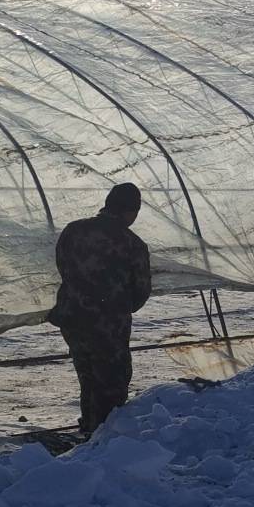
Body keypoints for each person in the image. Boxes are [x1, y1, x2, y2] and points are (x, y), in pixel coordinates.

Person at [49, 182, 152, 435]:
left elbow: (62, 266)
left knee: (88, 378)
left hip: (73, 320)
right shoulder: (132, 244)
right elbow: (140, 292)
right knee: (112, 382)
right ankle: (105, 439)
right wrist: (116, 306)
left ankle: (90, 429)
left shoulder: (74, 231)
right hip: (108, 325)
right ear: (129, 211)